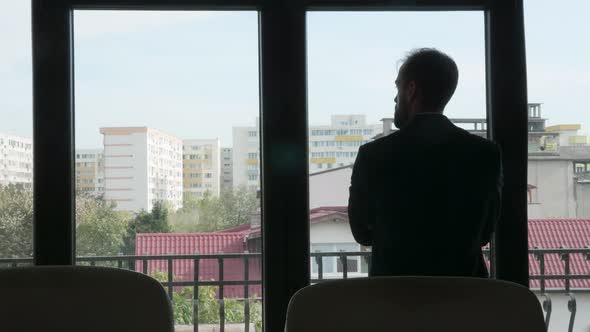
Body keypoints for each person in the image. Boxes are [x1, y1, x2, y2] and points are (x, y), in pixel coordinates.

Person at [348, 48, 503, 278]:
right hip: (465, 297)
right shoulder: (485, 153)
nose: (395, 97)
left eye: (398, 87)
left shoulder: (374, 154)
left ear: (411, 90)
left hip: (394, 296)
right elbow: (484, 234)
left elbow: (361, 233)